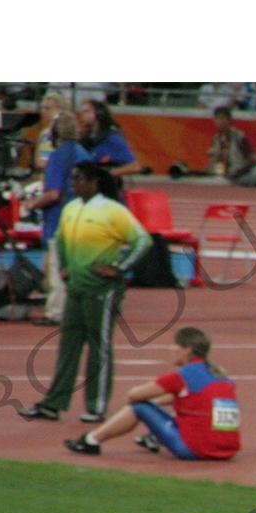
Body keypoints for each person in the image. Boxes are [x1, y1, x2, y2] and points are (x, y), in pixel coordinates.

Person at [17, 162, 151, 425]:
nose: (73, 183)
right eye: (72, 177)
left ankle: (96, 406)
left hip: (102, 290)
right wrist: (66, 266)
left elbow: (143, 240)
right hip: (76, 288)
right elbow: (63, 240)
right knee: (68, 347)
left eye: (78, 178)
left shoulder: (113, 211)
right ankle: (53, 404)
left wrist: (120, 268)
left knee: (98, 347)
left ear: (94, 182)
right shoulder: (70, 208)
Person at [64, 325, 240, 461]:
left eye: (175, 345)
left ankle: (91, 440)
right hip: (228, 449)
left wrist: (150, 405)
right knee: (184, 411)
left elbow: (134, 396)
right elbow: (190, 397)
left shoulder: (182, 376)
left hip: (196, 450)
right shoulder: (220, 374)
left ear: (187, 350)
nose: (171, 349)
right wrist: (157, 406)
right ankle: (154, 438)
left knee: (140, 407)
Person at [24, 112, 88, 326]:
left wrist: (31, 204)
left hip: (60, 220)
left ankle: (56, 312)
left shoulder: (59, 156)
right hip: (82, 218)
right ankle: (78, 310)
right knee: (78, 267)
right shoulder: (82, 153)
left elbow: (53, 193)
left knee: (58, 267)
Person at [78, 100, 141, 185]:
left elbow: (135, 167)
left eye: (87, 112)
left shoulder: (112, 138)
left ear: (99, 114)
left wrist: (108, 174)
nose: (83, 115)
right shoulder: (88, 138)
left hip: (107, 191)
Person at [208, 106, 256, 178]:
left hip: (240, 175)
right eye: (218, 118)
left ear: (229, 120)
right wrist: (220, 174)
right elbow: (218, 160)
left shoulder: (239, 136)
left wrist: (242, 171)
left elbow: (252, 158)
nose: (221, 121)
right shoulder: (216, 139)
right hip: (225, 176)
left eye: (223, 118)